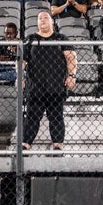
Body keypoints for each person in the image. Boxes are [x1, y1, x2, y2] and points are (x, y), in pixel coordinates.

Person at [22, 10, 77, 151]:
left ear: (52, 21)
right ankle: (26, 144)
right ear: (37, 22)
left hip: (56, 86)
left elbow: (71, 58)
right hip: (35, 87)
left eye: (46, 17)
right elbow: (22, 61)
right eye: (40, 18)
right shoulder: (31, 38)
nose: (43, 20)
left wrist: (72, 76)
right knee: (32, 118)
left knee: (56, 117)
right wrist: (20, 77)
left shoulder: (60, 38)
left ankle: (58, 144)